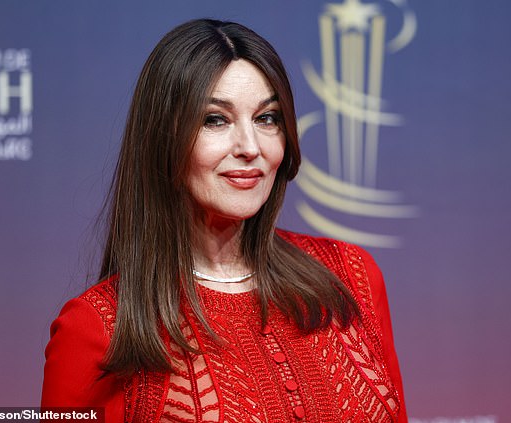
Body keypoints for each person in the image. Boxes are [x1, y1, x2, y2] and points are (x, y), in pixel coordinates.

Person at [41, 18, 406, 422]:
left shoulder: (352, 277)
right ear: (163, 137)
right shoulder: (98, 327)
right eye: (216, 120)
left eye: (267, 118)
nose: (250, 147)